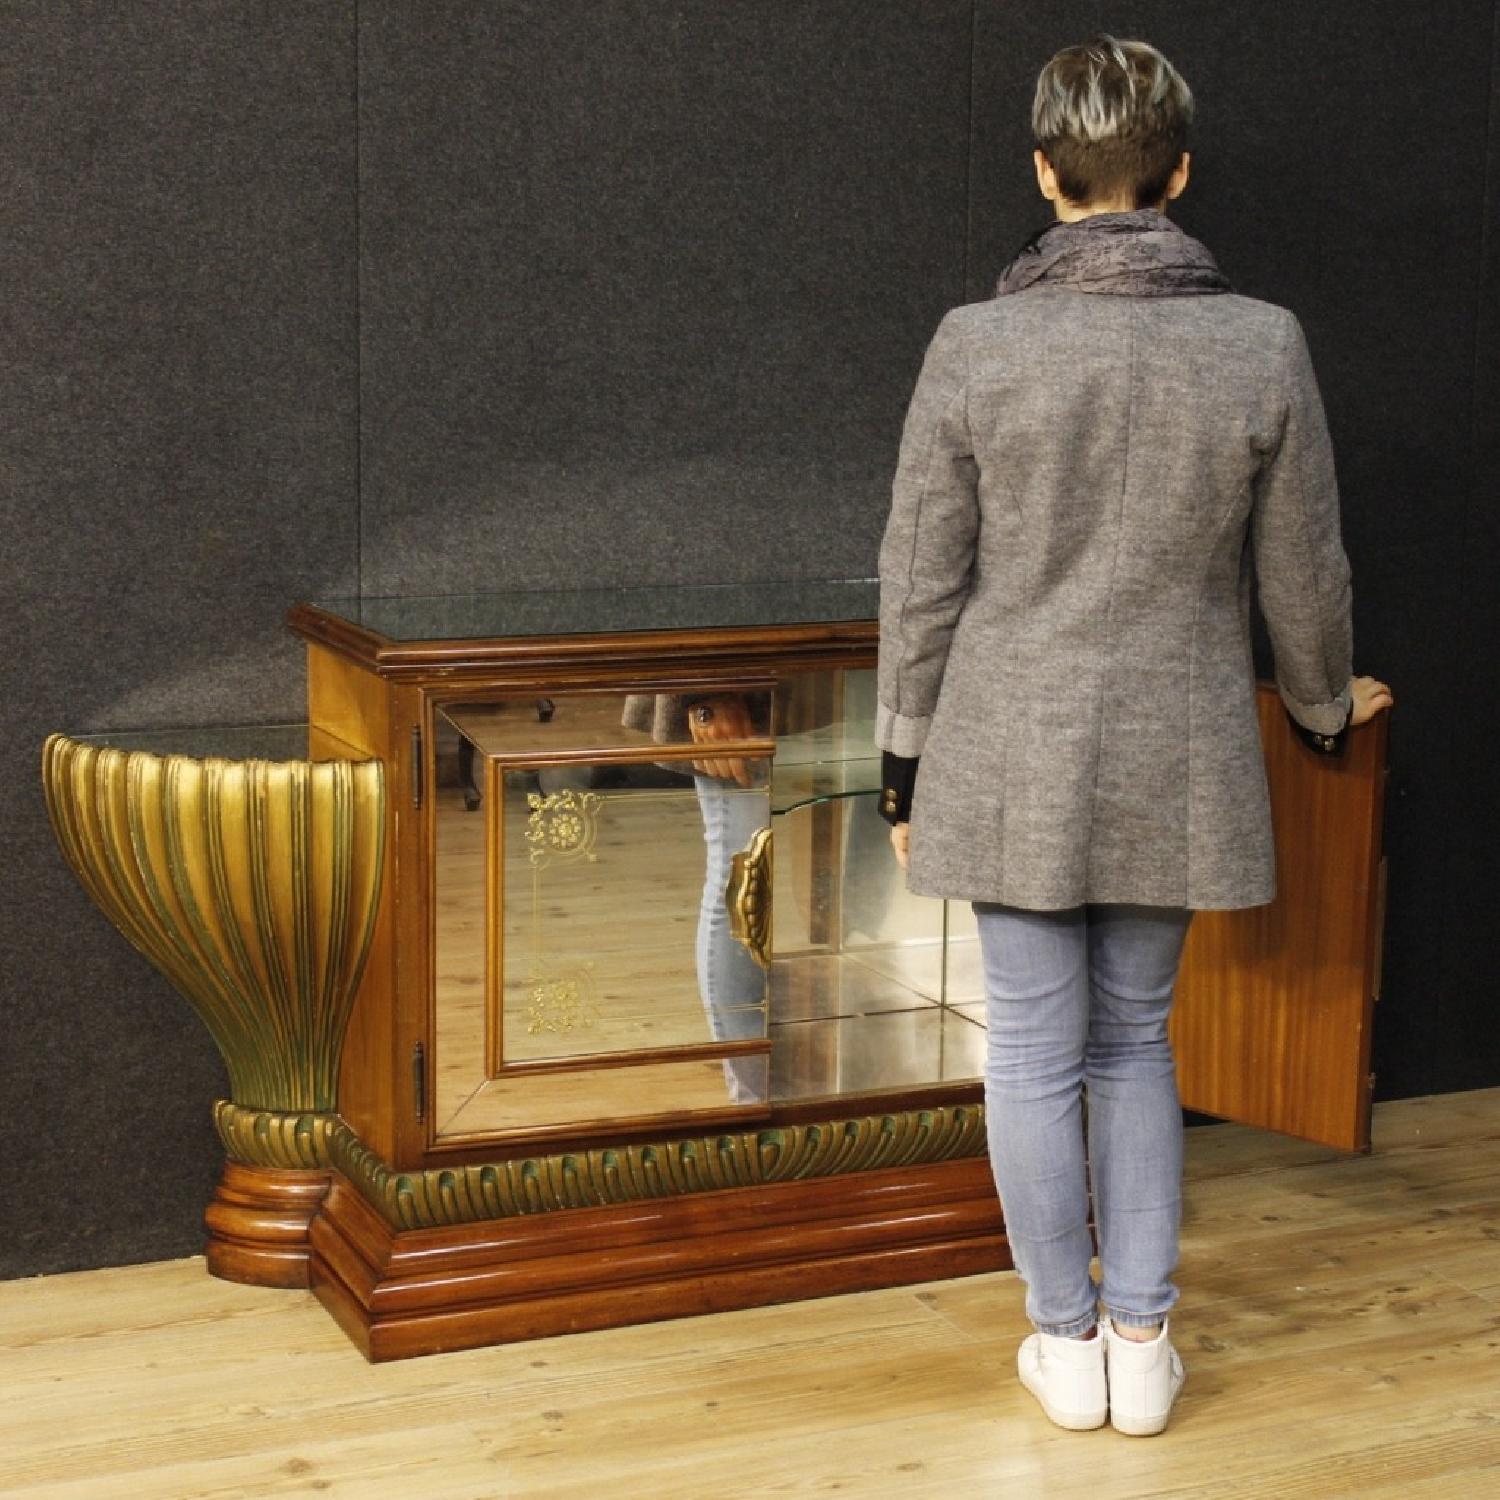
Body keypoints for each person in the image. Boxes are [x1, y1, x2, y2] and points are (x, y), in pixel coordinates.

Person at [875, 35, 1393, 1437]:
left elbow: (921, 575)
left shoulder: (977, 343)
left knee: (1033, 1050)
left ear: (1046, 173)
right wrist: (1323, 708)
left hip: (1008, 743)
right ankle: (1143, 1342)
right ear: (1179, 174)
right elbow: (1308, 574)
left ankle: (1064, 1343)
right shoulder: (1261, 342)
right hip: (1179, 740)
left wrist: (902, 765)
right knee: (1136, 1043)